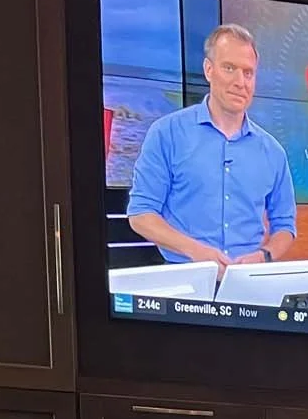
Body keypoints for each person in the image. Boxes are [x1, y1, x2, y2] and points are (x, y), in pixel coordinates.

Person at [126, 24, 297, 269]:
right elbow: (141, 215)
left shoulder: (272, 152)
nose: (241, 82)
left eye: (248, 73)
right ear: (208, 70)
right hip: (183, 278)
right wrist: (195, 251)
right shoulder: (167, 133)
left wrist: (264, 255)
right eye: (230, 68)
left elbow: (285, 226)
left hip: (246, 285)